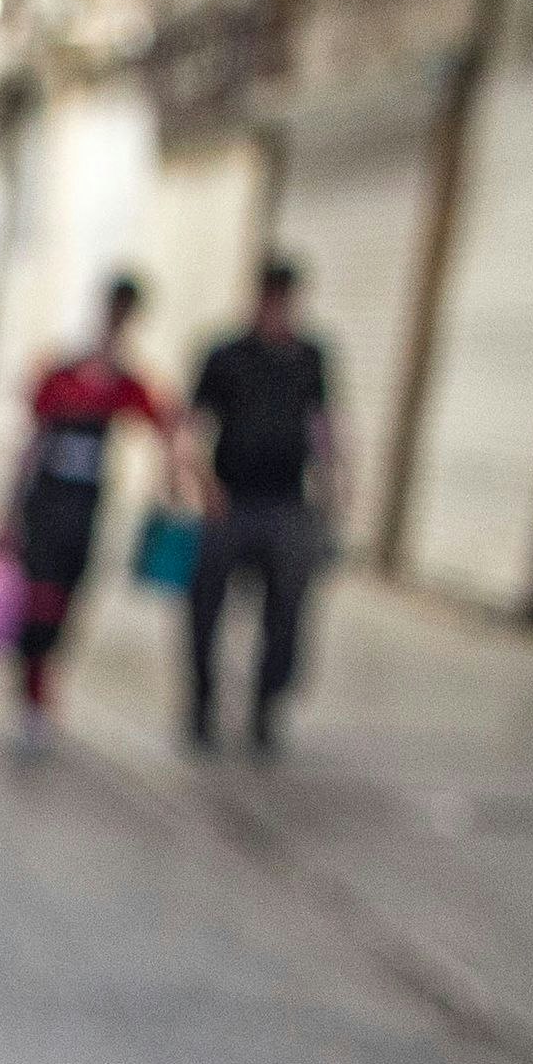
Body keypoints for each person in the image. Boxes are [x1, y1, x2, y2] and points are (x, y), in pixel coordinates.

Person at [1, 276, 196, 743]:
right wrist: (6, 511)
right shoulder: (60, 375)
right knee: (40, 599)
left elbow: (166, 421)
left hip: (85, 509)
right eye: (114, 314)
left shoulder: (126, 383)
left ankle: (42, 685)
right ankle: (32, 691)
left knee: (69, 600)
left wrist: (172, 482)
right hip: (45, 504)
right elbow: (30, 443)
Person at [180, 258, 334, 757]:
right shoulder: (225, 356)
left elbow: (322, 425)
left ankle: (265, 711)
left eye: (284, 300)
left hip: (287, 504)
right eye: (270, 299)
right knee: (205, 607)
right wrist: (202, 483)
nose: (277, 310)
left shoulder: (311, 358)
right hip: (231, 501)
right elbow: (193, 425)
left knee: (287, 612)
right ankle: (201, 708)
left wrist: (334, 485)